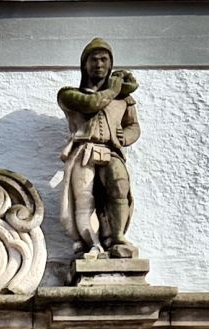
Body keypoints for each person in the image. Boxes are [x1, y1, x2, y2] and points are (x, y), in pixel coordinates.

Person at [57, 38, 141, 260]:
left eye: (104, 59)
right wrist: (114, 89)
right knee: (83, 200)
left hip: (111, 150)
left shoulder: (124, 99)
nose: (99, 64)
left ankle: (117, 237)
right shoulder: (69, 95)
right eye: (93, 59)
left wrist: (126, 137)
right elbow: (92, 104)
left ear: (110, 64)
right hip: (84, 152)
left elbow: (133, 125)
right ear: (84, 64)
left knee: (119, 186)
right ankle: (90, 243)